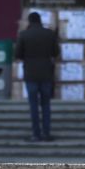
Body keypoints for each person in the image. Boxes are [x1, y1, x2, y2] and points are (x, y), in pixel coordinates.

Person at [15, 12, 59, 142]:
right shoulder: (49, 34)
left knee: (33, 105)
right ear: (40, 21)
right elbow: (56, 52)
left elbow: (17, 54)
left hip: (30, 74)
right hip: (46, 74)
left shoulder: (24, 35)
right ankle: (46, 133)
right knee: (46, 105)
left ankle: (36, 134)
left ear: (29, 21)